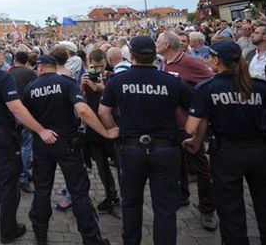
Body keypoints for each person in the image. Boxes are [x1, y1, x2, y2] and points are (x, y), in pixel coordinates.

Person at [98, 36, 193, 245]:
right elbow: (194, 109)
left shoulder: (117, 80)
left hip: (131, 147)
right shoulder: (172, 80)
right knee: (165, 207)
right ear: (154, 56)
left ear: (131, 56)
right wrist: (192, 133)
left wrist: (113, 128)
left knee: (131, 204)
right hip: (165, 149)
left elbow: (103, 111)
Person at [0, 40, 58, 244]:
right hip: (2, 132)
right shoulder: (2, 76)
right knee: (8, 182)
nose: (2, 54)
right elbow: (16, 108)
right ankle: (8, 230)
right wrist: (40, 129)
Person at [23, 55, 117, 245]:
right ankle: (91, 239)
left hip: (43, 142)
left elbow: (25, 116)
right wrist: (105, 132)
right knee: (79, 191)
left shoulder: (30, 88)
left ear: (40, 68)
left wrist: (40, 131)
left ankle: (40, 236)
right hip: (67, 142)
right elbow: (82, 110)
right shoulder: (65, 82)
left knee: (42, 190)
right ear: (54, 67)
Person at [184, 40, 266, 245]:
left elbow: (191, 127)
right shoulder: (259, 86)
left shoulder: (207, 88)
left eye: (210, 58)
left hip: (226, 153)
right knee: (265, 205)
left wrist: (195, 140)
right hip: (259, 150)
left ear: (216, 60)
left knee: (230, 210)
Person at [156, 30, 217, 231]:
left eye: (158, 41)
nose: (156, 43)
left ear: (167, 46)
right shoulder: (165, 63)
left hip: (190, 124)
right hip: (172, 124)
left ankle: (207, 209)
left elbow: (211, 83)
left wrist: (196, 108)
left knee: (200, 165)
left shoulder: (190, 62)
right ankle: (183, 195)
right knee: (178, 162)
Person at [81, 49, 119, 214]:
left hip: (112, 125)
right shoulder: (87, 77)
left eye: (101, 66)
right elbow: (78, 98)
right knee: (101, 165)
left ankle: (127, 195)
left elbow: (118, 102)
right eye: (95, 67)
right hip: (94, 128)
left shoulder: (113, 78)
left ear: (106, 62)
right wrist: (82, 86)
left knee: (120, 163)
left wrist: (103, 89)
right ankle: (110, 194)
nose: (98, 70)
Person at [8, 51, 37, 194]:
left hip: (10, 114)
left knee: (16, 146)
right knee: (26, 146)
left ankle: (18, 174)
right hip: (26, 113)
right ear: (26, 61)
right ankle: (23, 176)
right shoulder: (30, 74)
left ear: (14, 60)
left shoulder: (7, 73)